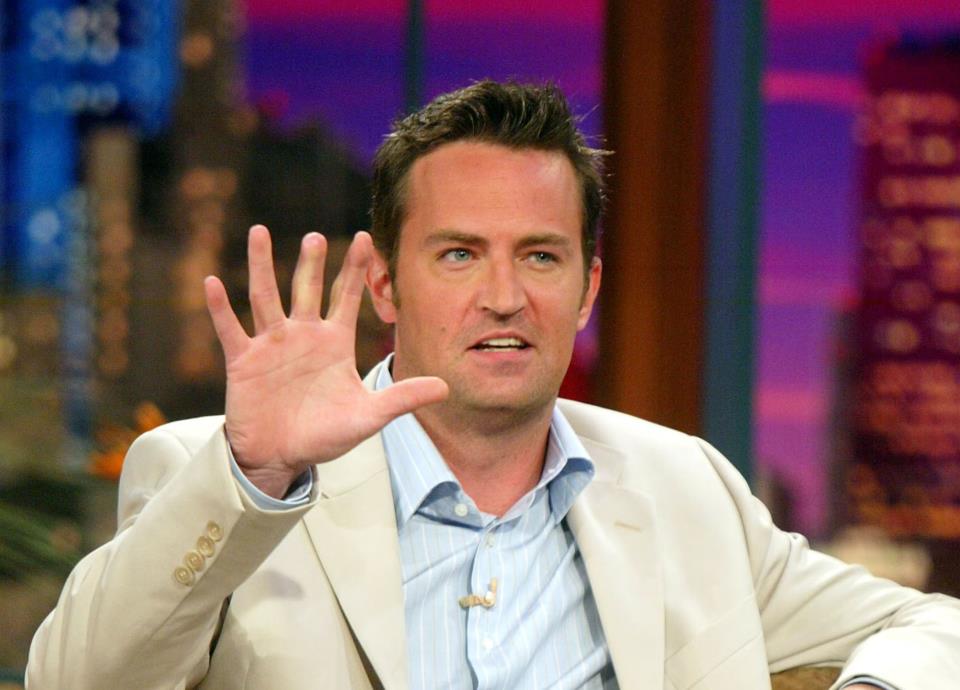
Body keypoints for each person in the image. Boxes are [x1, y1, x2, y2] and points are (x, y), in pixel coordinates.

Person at [27, 81, 960, 690]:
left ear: (587, 289)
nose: (504, 296)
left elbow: (936, 626)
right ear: (384, 285)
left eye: (541, 256)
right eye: (460, 254)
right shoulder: (220, 474)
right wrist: (254, 476)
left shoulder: (686, 488)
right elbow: (79, 681)